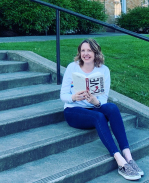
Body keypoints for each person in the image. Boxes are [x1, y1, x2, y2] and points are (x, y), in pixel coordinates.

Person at [60, 38, 144, 181]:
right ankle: (120, 161)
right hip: (73, 111)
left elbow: (104, 99)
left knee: (112, 107)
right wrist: (74, 97)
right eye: (83, 50)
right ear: (79, 53)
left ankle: (129, 157)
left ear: (96, 52)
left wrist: (95, 101)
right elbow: (63, 95)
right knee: (98, 117)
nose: (86, 54)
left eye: (89, 50)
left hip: (93, 107)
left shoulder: (103, 70)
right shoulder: (72, 67)